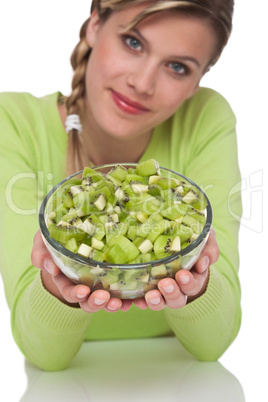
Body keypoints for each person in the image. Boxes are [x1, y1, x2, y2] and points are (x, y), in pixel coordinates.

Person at [0, 0, 242, 371]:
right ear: (94, 24)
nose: (142, 84)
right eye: (133, 43)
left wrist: (199, 286)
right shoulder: (12, 123)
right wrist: (55, 288)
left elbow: (214, 347)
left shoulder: (205, 119)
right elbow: (43, 355)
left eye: (177, 67)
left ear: (197, 82)